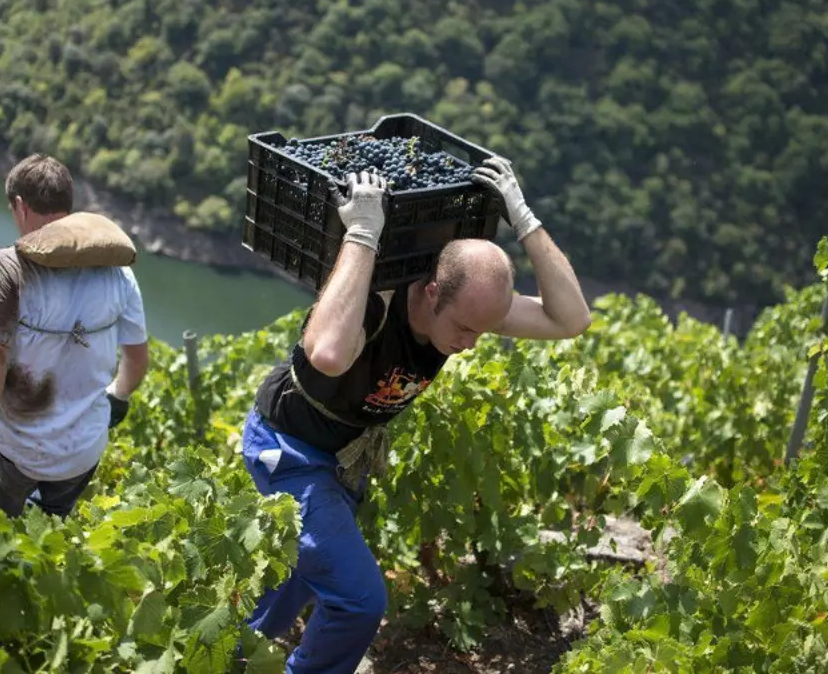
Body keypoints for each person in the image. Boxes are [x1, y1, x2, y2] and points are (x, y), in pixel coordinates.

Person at [239, 156, 591, 673]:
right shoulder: (376, 302)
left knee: (295, 583)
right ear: (431, 292)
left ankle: (227, 656)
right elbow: (329, 355)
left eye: (481, 331)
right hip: (289, 451)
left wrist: (525, 220)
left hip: (339, 460)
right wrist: (361, 233)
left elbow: (571, 318)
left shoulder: (466, 309)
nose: (469, 345)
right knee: (359, 600)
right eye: (466, 329)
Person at [0, 153, 149, 518]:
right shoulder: (119, 274)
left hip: (15, 452)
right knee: (48, 542)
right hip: (81, 455)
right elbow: (137, 360)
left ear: (20, 206)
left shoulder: (7, 269)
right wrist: (118, 395)